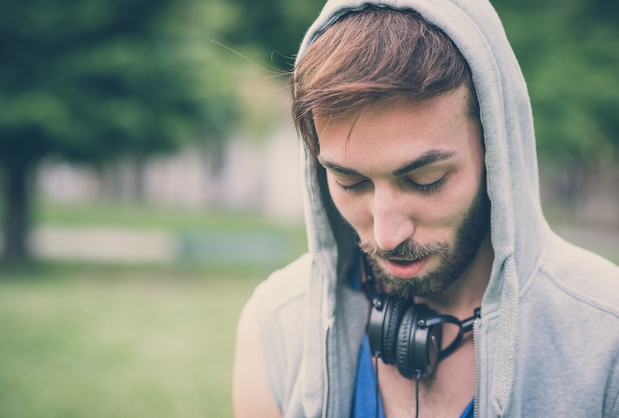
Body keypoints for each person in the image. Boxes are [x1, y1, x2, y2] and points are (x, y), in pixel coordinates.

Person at [232, 1, 619, 417]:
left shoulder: (607, 337)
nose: (386, 234)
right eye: (351, 183)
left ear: (496, 151)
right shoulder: (276, 324)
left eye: (425, 180)